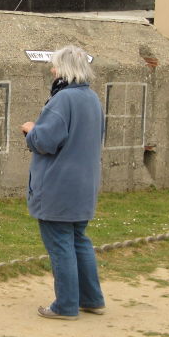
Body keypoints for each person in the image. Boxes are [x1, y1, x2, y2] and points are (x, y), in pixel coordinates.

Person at [21, 45, 105, 320]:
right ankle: (91, 299)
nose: (51, 70)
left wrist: (31, 130)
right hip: (85, 183)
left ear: (65, 70)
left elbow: (46, 142)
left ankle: (66, 305)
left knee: (60, 244)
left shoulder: (62, 100)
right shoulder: (92, 98)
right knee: (79, 240)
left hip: (59, 185)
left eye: (55, 66)